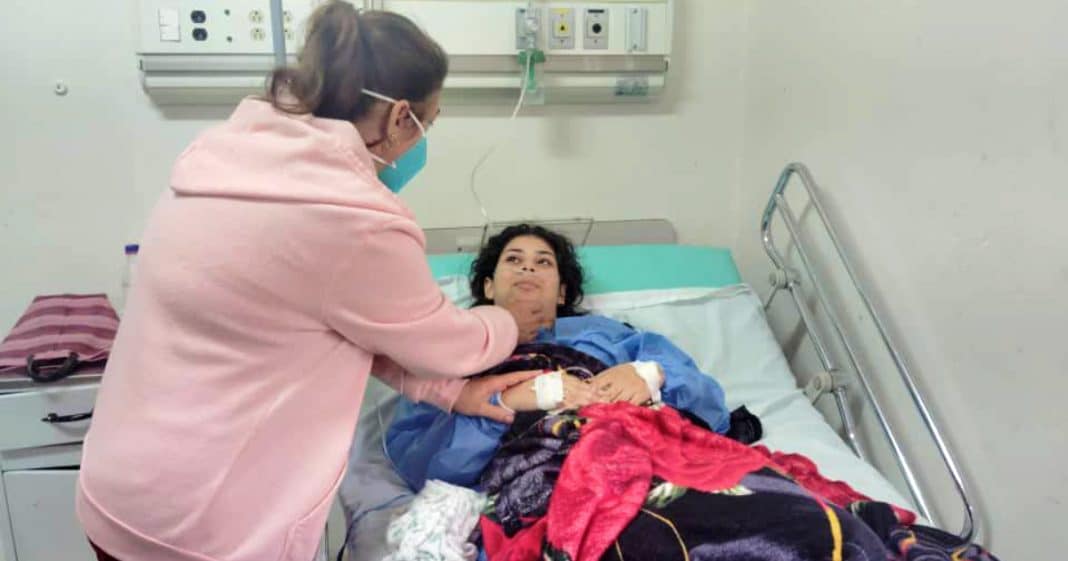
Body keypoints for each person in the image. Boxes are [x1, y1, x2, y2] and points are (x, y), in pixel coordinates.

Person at [76, 5, 540, 561]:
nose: (529, 272)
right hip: (200, 529)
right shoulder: (353, 218)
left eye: (543, 265)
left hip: (118, 489)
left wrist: (450, 393)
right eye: (428, 123)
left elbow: (330, 326)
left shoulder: (221, 158)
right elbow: (450, 344)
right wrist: (508, 318)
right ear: (400, 117)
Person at [385, 224, 732, 491]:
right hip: (536, 483)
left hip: (644, 458)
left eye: (543, 262)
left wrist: (649, 375)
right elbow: (422, 466)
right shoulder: (451, 351)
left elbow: (712, 411)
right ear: (489, 286)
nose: (527, 269)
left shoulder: (608, 334)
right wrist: (502, 406)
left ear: (562, 291)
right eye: (514, 260)